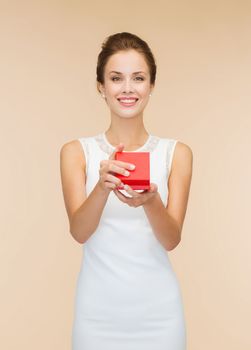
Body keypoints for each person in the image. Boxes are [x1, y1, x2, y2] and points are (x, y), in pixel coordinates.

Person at [60, 32, 193, 350]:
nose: (128, 88)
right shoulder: (76, 152)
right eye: (116, 78)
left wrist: (151, 202)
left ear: (151, 86)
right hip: (97, 316)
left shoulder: (177, 153)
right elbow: (79, 232)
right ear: (101, 87)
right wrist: (101, 188)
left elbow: (171, 240)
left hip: (160, 315)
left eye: (139, 78)